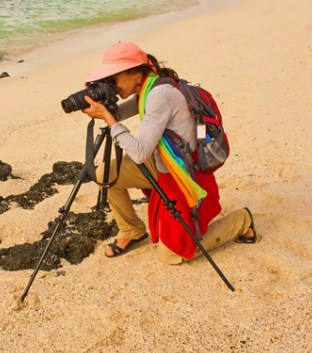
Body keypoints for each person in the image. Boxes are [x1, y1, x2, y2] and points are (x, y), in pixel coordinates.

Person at [82, 41, 257, 263]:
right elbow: (118, 114)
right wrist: (99, 101)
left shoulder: (159, 95)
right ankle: (131, 231)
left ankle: (241, 220)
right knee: (104, 174)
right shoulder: (147, 88)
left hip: (182, 174)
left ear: (135, 72)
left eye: (113, 78)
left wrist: (107, 118)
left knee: (172, 254)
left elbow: (139, 153)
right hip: (163, 163)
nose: (112, 85)